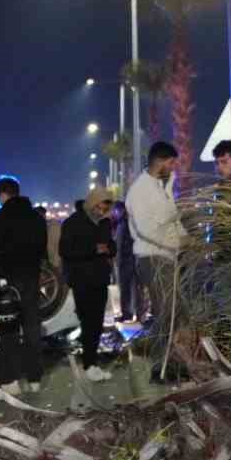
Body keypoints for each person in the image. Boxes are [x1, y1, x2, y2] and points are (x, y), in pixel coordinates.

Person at [0, 175, 47, 393]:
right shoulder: (36, 218)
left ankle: (11, 380)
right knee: (32, 329)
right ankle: (34, 378)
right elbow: (42, 250)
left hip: (8, 283)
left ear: (3, 194)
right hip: (31, 280)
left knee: (9, 332)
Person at [60, 187, 117, 380]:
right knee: (88, 321)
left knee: (97, 321)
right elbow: (65, 250)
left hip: (100, 278)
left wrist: (108, 248)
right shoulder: (73, 223)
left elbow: (112, 246)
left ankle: (92, 362)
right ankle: (89, 363)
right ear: (93, 203)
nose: (102, 212)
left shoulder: (105, 223)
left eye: (105, 209)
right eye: (100, 207)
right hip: (82, 279)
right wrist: (93, 249)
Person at [125, 141, 184, 324]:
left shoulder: (160, 188)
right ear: (160, 161)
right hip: (153, 259)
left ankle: (169, 349)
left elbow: (172, 220)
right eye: (172, 163)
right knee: (167, 314)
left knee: (172, 312)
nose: (174, 167)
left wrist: (185, 238)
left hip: (166, 258)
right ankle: (163, 351)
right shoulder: (140, 190)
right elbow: (147, 231)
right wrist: (180, 242)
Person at [114, 202, 140, 322]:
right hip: (133, 259)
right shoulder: (132, 222)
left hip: (124, 261)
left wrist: (118, 262)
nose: (115, 213)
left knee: (125, 289)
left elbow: (119, 246)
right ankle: (137, 312)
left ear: (121, 210)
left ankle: (127, 313)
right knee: (134, 288)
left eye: (115, 211)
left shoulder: (122, 224)